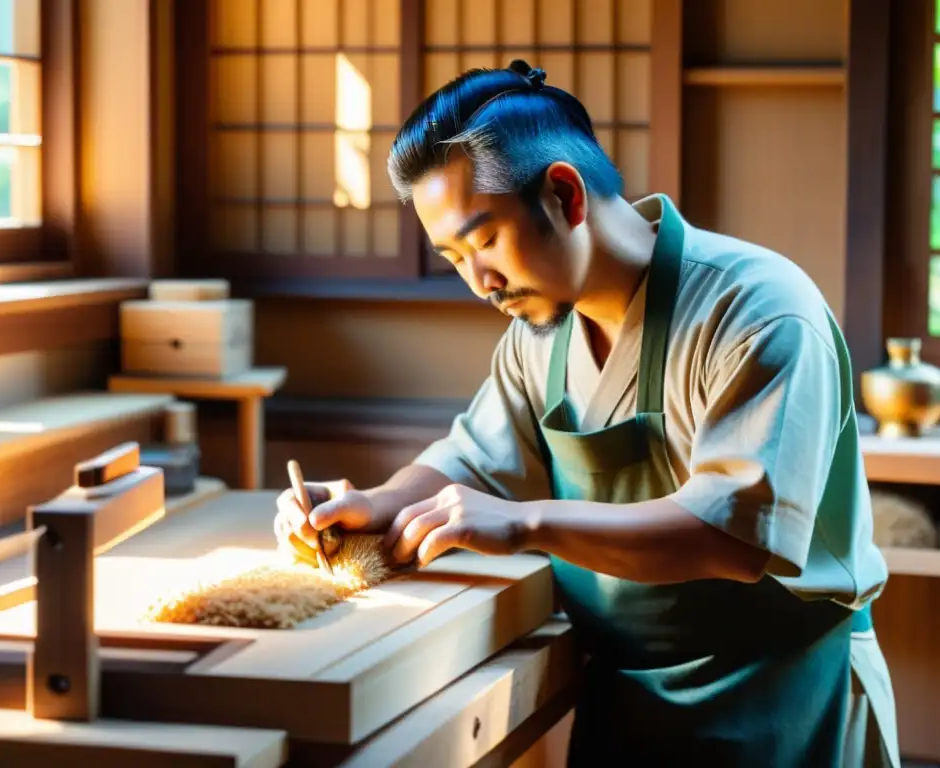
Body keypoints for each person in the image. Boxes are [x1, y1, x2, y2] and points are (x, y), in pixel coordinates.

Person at [274, 60, 899, 767]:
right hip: (626, 702)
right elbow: (473, 461)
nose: (479, 282)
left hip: (787, 701)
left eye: (484, 241)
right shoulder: (537, 337)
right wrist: (372, 505)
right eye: (453, 257)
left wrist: (525, 523)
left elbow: (731, 536)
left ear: (565, 195)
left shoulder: (758, 310)